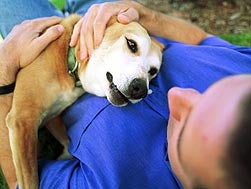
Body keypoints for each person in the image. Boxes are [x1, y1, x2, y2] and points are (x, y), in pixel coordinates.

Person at [0, 0, 251, 189]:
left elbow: (18, 181)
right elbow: (204, 39)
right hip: (117, 23)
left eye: (186, 126)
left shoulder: (114, 181)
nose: (178, 93)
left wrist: (4, 72)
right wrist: (143, 14)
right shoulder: (245, 70)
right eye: (208, 91)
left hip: (50, 65)